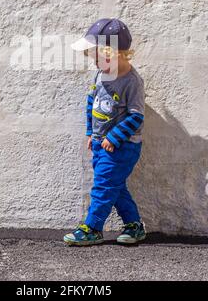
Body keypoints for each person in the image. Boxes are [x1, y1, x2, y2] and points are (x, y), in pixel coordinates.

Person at [64, 18, 146, 246]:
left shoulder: (132, 82)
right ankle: (134, 225)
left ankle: (92, 227)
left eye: (100, 58)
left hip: (123, 145)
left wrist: (113, 137)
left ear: (115, 54)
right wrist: (91, 132)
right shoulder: (101, 75)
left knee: (103, 186)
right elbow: (91, 102)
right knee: (114, 186)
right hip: (101, 143)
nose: (97, 64)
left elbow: (136, 116)